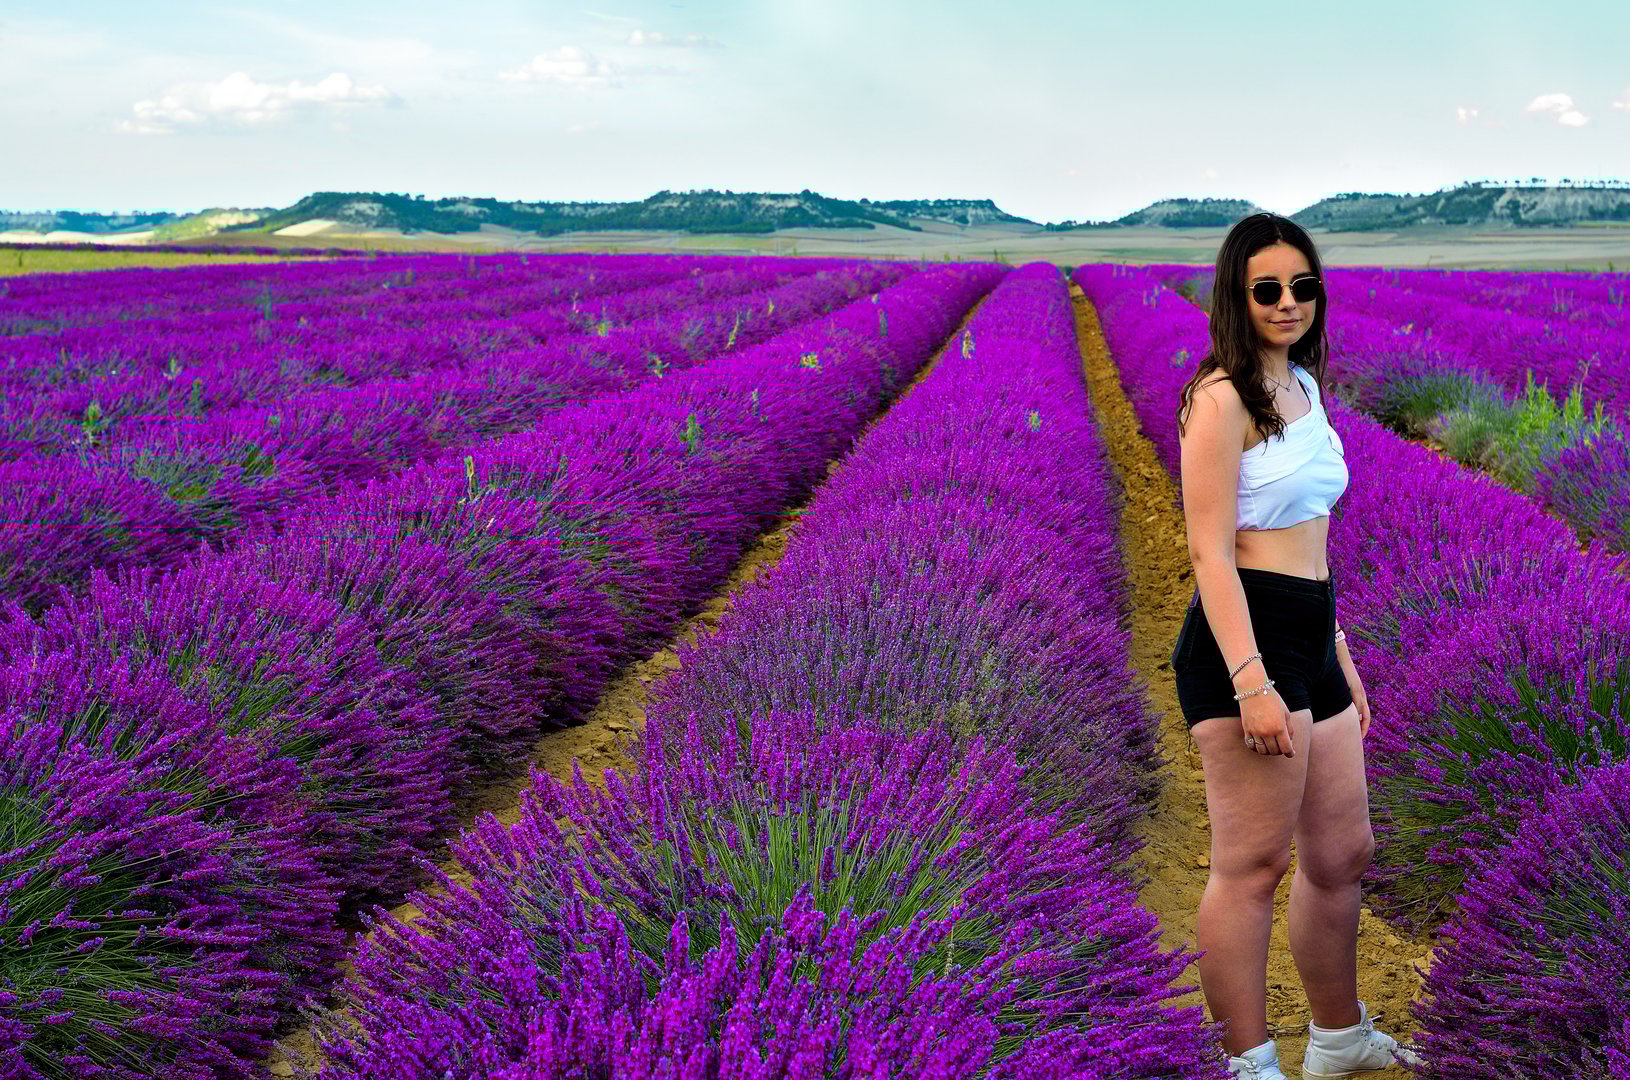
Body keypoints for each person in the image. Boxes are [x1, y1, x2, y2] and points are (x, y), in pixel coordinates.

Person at [1168, 213, 1422, 1079]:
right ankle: (1247, 1062)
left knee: (1342, 855)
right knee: (1252, 864)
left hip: (1310, 629)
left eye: (1303, 286)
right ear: (1237, 297)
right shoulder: (1220, 398)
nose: (1288, 302)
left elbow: (1309, 538)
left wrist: (1337, 651)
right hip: (1245, 640)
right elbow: (1210, 552)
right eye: (1267, 289)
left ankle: (1340, 1036)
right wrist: (1252, 681)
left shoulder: (1305, 388)